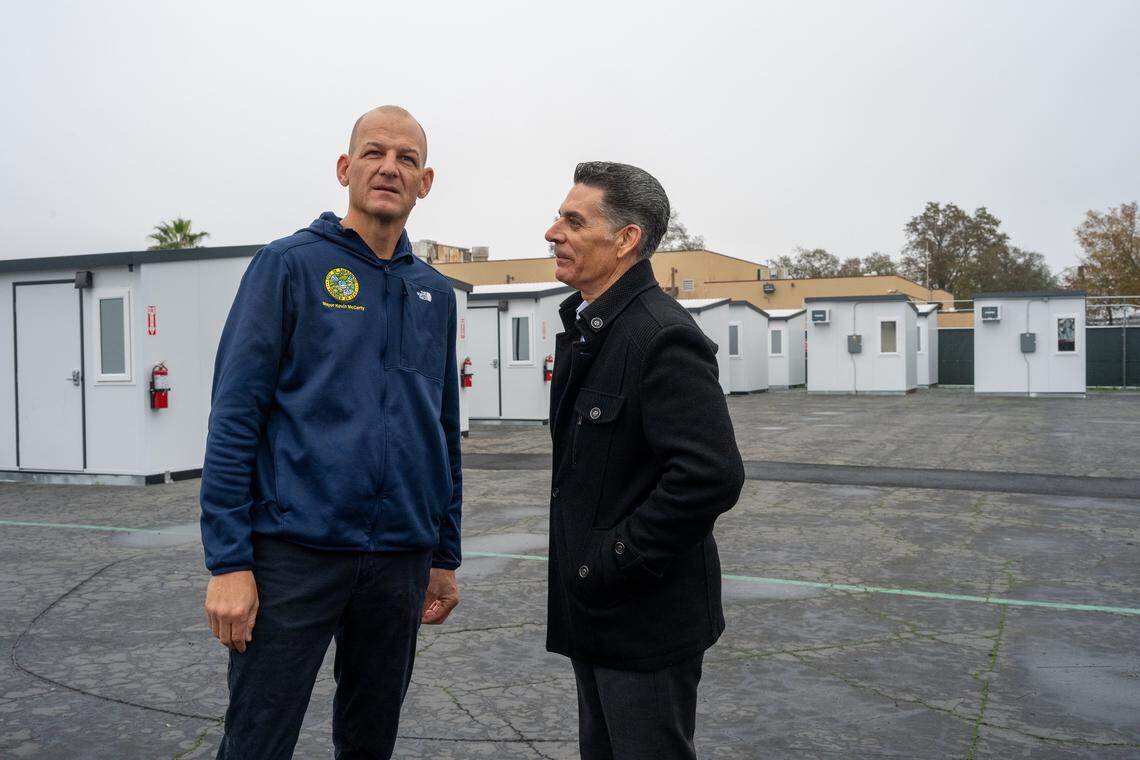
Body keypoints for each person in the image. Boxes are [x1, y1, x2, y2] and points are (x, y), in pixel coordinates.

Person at [199, 105, 462, 759]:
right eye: (374, 153)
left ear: (424, 182)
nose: (389, 168)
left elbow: (443, 427)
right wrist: (229, 562)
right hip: (295, 556)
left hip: (399, 560)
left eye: (406, 159)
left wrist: (443, 554)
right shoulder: (288, 266)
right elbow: (235, 420)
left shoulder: (434, 292)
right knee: (258, 738)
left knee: (370, 741)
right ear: (346, 169)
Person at [543, 162, 745, 760]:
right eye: (559, 217)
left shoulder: (659, 336)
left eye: (573, 221)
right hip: (598, 615)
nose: (553, 232)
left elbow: (710, 474)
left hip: (645, 621)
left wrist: (614, 558)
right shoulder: (595, 329)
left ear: (627, 239)